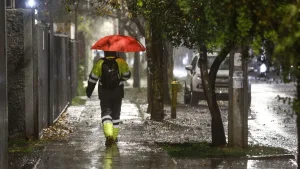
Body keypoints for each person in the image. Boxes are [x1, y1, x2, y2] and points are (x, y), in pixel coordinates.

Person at [86, 51, 131, 146]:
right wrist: (121, 77)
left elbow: (93, 78)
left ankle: (108, 135)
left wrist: (89, 91)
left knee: (106, 113)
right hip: (118, 93)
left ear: (105, 52)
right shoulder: (121, 61)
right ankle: (114, 138)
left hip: (104, 93)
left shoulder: (100, 62)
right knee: (115, 115)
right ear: (116, 52)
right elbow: (127, 75)